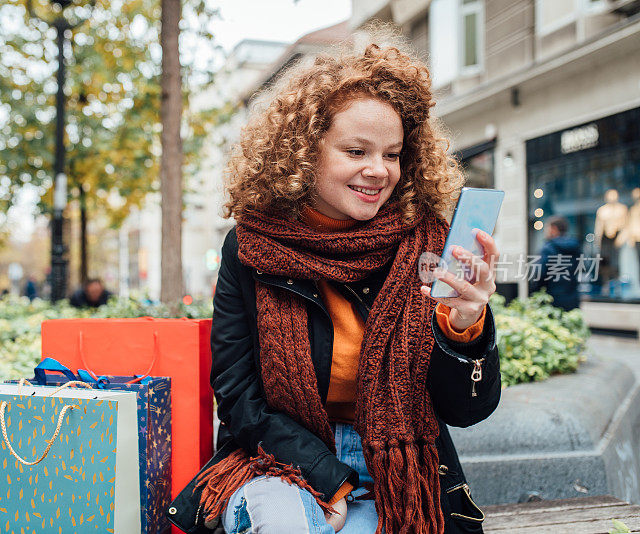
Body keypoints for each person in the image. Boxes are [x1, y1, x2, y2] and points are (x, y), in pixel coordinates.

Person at [167, 38, 501, 534]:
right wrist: (330, 478)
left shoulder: (426, 246)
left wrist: (466, 329)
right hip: (281, 462)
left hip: (400, 475)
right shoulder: (251, 245)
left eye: (392, 154)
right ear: (303, 152)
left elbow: (466, 410)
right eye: (355, 151)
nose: (379, 170)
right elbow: (238, 398)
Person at [529, 216, 581, 311]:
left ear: (554, 229)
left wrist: (534, 292)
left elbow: (540, 274)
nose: (546, 232)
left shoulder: (548, 248)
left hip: (552, 300)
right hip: (573, 299)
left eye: (547, 228)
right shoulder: (576, 247)